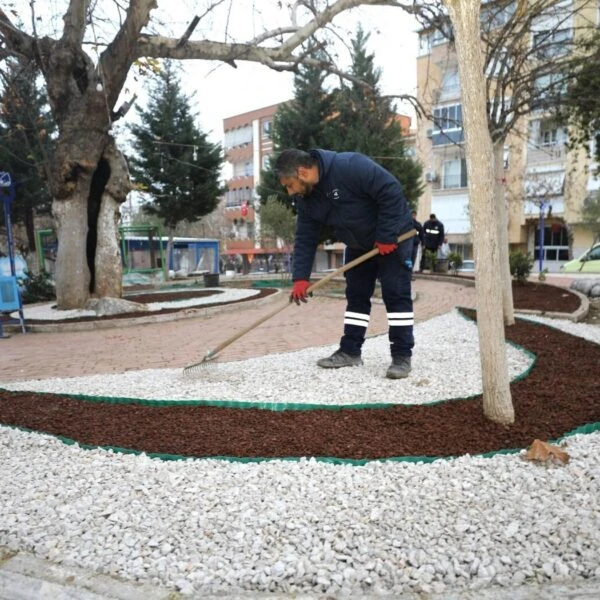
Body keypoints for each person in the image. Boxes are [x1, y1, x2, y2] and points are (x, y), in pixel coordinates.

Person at [274, 148, 415, 379]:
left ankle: (401, 356)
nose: (290, 192)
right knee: (356, 296)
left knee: (395, 294)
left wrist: (387, 235)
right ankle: (350, 351)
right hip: (359, 245)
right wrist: (300, 278)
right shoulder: (307, 199)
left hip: (394, 238)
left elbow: (390, 191)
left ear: (302, 172)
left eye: (290, 185)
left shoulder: (350, 166)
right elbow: (305, 237)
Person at [410, 210, 424, 277]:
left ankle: (410, 274)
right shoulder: (408, 223)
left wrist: (423, 243)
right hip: (407, 244)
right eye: (412, 215)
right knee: (407, 259)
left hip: (415, 243)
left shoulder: (418, 224)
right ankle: (406, 274)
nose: (413, 216)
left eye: (414, 215)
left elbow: (421, 234)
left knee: (413, 258)